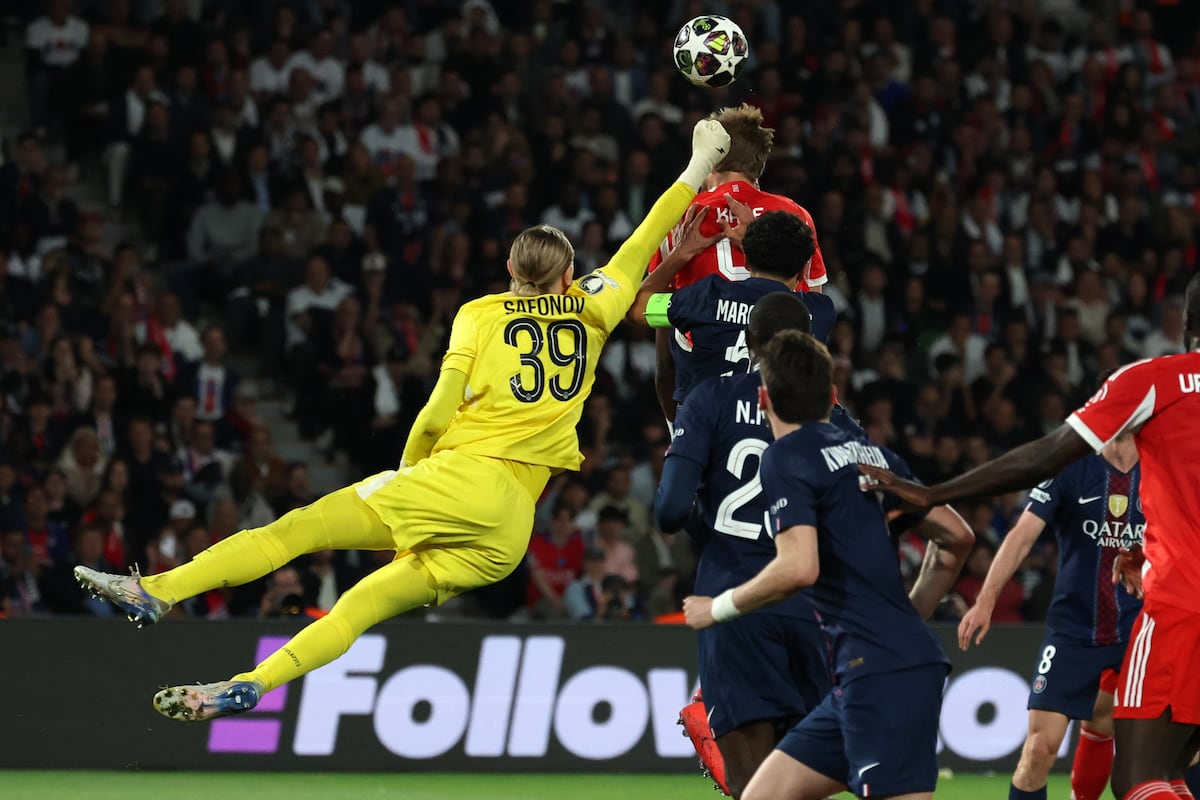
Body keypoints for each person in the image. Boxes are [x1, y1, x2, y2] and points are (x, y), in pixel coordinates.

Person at [74, 119, 733, 723]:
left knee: (295, 531)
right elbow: (644, 237)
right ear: (568, 274)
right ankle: (251, 684)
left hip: (461, 479)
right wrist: (701, 159)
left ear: (510, 270)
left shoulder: (480, 314)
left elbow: (436, 411)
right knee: (358, 609)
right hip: (510, 532)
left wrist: (412, 473)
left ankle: (158, 590)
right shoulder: (594, 306)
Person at [860, 272, 1200, 800]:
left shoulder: (1156, 381)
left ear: (1186, 322)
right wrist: (1147, 548)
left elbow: (1044, 453)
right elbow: (1024, 531)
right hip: (1090, 622)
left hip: (1178, 605)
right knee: (1174, 770)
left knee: (1137, 777)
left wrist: (934, 492)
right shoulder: (1093, 469)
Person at [684, 330, 972, 800]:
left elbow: (799, 568)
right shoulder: (875, 455)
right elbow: (957, 537)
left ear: (763, 398)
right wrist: (906, 619)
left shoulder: (786, 455)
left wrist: (716, 608)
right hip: (867, 670)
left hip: (881, 674)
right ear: (832, 393)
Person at [956, 435, 1143, 800]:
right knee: (1039, 749)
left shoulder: (1161, 468)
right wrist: (986, 600)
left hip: (1138, 631)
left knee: (1164, 749)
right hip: (1073, 631)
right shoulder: (1070, 466)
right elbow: (1022, 535)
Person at [645, 103, 827, 422]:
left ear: (710, 159)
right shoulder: (794, 216)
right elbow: (813, 317)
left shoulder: (680, 216)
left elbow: (651, 319)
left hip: (703, 393)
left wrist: (675, 421)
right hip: (777, 394)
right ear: (758, 164)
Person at [630, 210, 835, 409]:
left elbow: (635, 309)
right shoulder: (820, 312)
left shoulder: (708, 296)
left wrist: (681, 253)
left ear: (746, 260)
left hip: (706, 423)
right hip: (773, 428)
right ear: (802, 272)